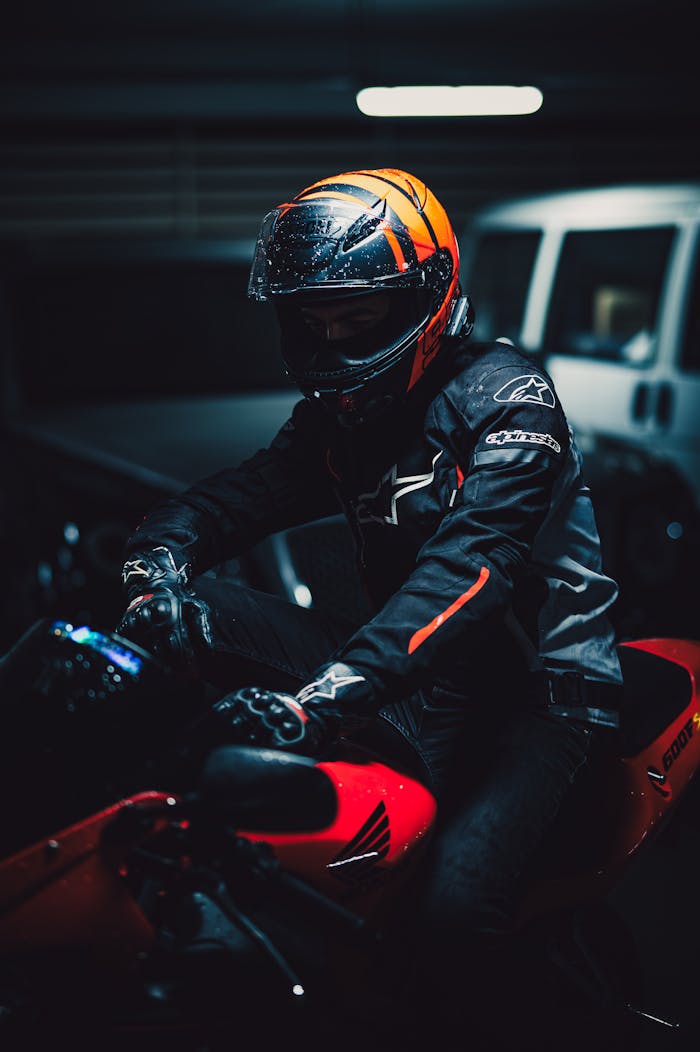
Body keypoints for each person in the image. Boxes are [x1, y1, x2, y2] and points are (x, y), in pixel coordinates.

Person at [117, 168, 623, 1048]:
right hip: (407, 672)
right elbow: (231, 499)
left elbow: (470, 576)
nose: (332, 340)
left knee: (454, 916)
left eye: (357, 318)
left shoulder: (509, 400)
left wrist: (320, 700)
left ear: (427, 296)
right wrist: (155, 567)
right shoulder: (341, 417)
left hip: (538, 691)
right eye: (315, 319)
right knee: (195, 611)